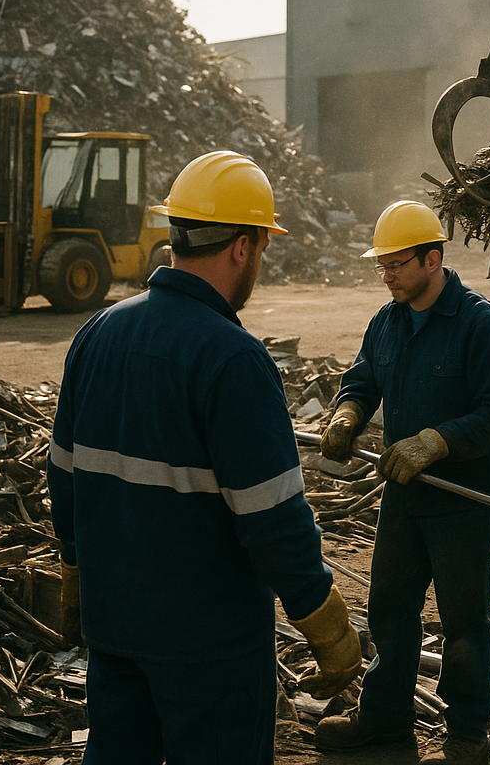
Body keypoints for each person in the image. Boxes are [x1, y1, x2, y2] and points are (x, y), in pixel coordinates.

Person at [47, 150, 361, 765]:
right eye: (262, 248)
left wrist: (75, 572)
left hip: (114, 626)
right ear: (242, 248)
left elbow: (63, 474)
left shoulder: (98, 334)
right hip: (208, 645)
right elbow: (271, 520)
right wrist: (322, 618)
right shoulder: (233, 359)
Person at [313, 201, 490, 765]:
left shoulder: (480, 324)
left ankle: (467, 735)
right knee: (389, 609)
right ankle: (384, 723)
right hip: (404, 496)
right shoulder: (388, 320)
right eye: (380, 266)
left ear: (433, 259)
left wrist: (437, 441)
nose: (386, 276)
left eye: (396, 265)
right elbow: (362, 378)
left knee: (463, 621)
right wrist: (348, 414)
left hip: (461, 500)